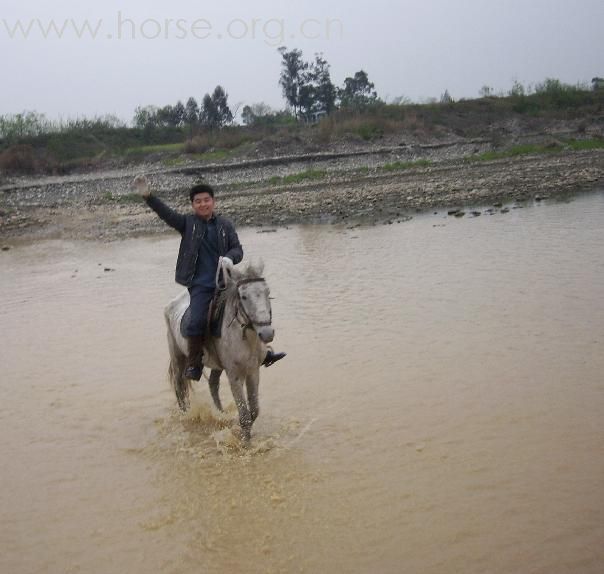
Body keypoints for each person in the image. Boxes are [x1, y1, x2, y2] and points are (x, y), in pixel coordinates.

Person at [132, 175, 285, 380]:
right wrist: (148, 196)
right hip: (200, 286)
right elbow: (166, 214)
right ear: (193, 205)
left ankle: (263, 352)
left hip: (227, 283)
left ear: (213, 201)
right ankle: (195, 362)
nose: (203, 204)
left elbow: (237, 249)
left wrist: (230, 258)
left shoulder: (225, 225)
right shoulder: (187, 224)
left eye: (206, 200)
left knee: (254, 306)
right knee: (196, 321)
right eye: (198, 201)